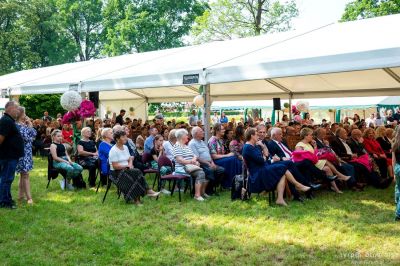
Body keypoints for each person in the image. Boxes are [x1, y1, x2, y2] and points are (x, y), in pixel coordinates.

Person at [242, 128, 311, 206]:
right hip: (257, 174)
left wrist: (265, 157)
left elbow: (264, 159)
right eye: (257, 134)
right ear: (252, 136)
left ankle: (280, 198)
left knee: (282, 170)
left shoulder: (253, 146)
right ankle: (297, 185)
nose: (258, 136)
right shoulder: (248, 147)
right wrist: (264, 150)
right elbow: (261, 160)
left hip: (263, 168)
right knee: (282, 167)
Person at [108, 130, 159, 205]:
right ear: (117, 139)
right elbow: (115, 166)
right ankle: (145, 192)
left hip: (126, 169)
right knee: (136, 173)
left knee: (135, 173)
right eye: (123, 137)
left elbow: (130, 158)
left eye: (126, 136)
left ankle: (141, 197)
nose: (126, 138)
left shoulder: (125, 147)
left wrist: (130, 164)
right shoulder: (113, 150)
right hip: (116, 172)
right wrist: (127, 166)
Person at [295, 127, 350, 193]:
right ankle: (339, 176)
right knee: (326, 161)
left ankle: (336, 188)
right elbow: (298, 156)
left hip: (314, 161)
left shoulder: (309, 144)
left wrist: (315, 147)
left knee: (327, 168)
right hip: (308, 164)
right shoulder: (299, 144)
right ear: (305, 136)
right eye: (311, 135)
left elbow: (315, 155)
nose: (312, 136)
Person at [0, 101, 24, 209]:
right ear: (10, 108)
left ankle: (7, 198)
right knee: (6, 178)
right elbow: (1, 138)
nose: (18, 111)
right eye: (17, 108)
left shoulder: (9, 120)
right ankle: (4, 201)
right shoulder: (6, 121)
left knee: (7, 178)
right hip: (7, 156)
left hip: (11, 156)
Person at [174, 129, 209, 201]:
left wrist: (194, 160)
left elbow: (195, 155)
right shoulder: (177, 146)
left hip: (190, 166)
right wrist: (192, 162)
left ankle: (202, 192)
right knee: (201, 173)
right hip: (182, 168)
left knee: (206, 171)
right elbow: (179, 160)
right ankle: (197, 195)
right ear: (182, 136)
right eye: (186, 135)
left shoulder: (186, 146)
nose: (188, 136)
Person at [189, 127, 224, 195]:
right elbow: (197, 157)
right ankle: (207, 191)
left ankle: (210, 187)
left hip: (209, 162)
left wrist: (212, 162)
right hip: (201, 164)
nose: (203, 132)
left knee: (221, 170)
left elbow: (208, 154)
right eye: (201, 131)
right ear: (196, 134)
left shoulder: (202, 142)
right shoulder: (192, 143)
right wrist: (208, 163)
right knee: (210, 170)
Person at [208, 123, 242, 188]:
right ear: (217, 131)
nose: (224, 130)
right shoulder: (212, 141)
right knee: (233, 159)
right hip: (216, 161)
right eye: (222, 129)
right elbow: (214, 156)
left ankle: (238, 181)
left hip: (221, 159)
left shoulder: (220, 140)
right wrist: (227, 155)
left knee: (235, 158)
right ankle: (229, 183)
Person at [15, 107, 37, 205]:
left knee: (22, 175)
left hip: (26, 152)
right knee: (25, 175)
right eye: (25, 113)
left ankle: (20, 196)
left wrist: (30, 126)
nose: (26, 115)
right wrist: (30, 126)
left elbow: (34, 135)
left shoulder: (22, 125)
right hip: (22, 153)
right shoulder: (18, 126)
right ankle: (29, 198)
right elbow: (29, 138)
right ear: (21, 114)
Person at [391, 126, 400, 221]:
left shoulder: (394, 143)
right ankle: (398, 213)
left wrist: (394, 172)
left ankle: (397, 201)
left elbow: (393, 160)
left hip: (397, 167)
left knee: (398, 186)